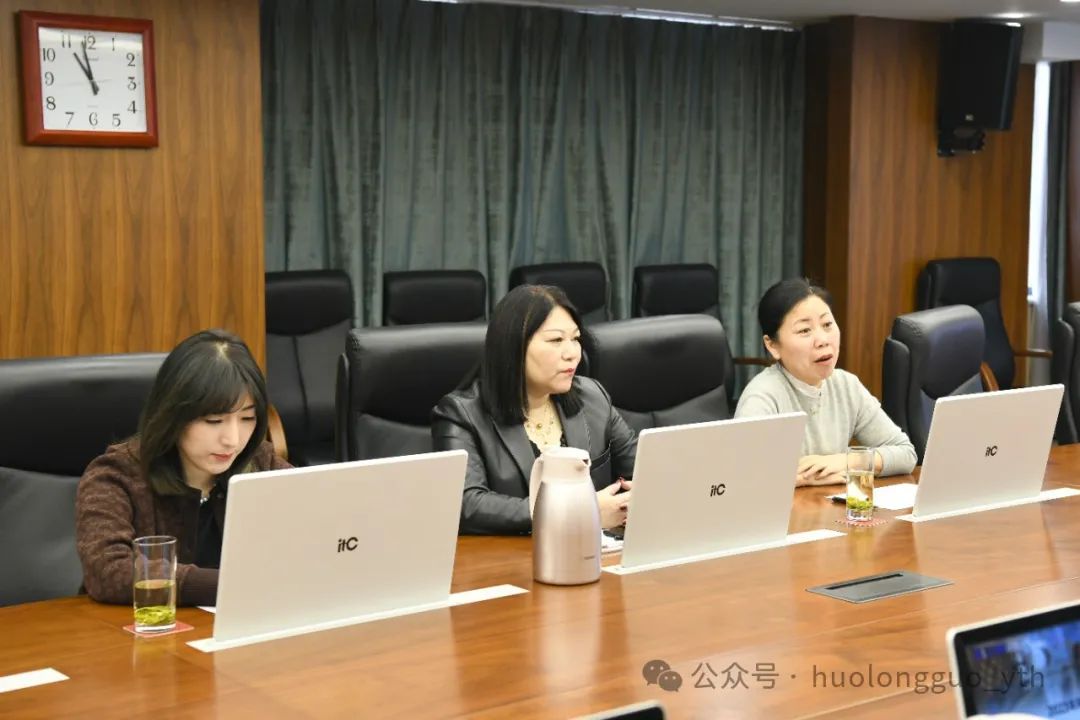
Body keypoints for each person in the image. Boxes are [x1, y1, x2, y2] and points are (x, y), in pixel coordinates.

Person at [75, 329, 291, 606]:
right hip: (137, 628)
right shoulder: (115, 476)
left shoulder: (260, 463)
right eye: (214, 421)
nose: (232, 439)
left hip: (236, 624)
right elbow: (108, 572)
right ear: (174, 415)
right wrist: (234, 585)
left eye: (247, 418)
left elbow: (318, 527)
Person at [432, 285, 636, 535]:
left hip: (595, 549)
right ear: (514, 347)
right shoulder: (461, 413)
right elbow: (467, 505)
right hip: (511, 555)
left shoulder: (592, 396)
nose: (572, 354)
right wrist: (578, 511)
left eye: (575, 339)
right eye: (556, 340)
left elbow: (642, 471)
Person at [735, 278, 917, 485]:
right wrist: (809, 477)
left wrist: (846, 461)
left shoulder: (846, 386)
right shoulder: (762, 396)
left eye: (827, 324)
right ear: (773, 346)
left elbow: (905, 454)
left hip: (832, 504)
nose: (822, 340)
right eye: (805, 330)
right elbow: (743, 478)